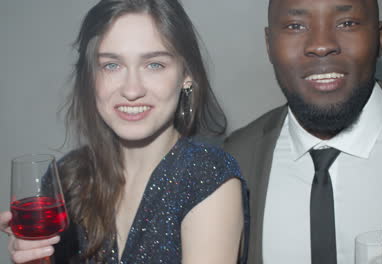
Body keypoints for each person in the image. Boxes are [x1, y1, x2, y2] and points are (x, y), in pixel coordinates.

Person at [0, 0, 249, 263]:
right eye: (111, 65)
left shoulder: (206, 176)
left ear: (186, 74)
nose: (131, 90)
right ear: (90, 77)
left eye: (154, 64)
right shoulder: (66, 178)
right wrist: (35, 259)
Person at [224, 0, 382, 263]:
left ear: (379, 38)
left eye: (347, 23)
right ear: (269, 44)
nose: (321, 45)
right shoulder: (233, 161)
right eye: (295, 25)